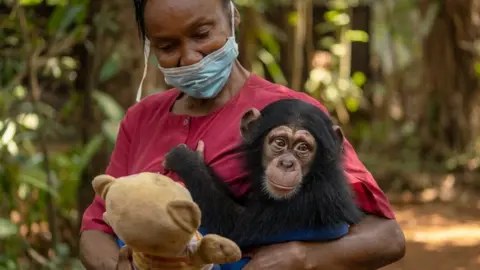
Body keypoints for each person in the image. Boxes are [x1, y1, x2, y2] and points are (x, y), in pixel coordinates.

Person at [79, 0, 406, 269]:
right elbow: (97, 229)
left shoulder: (292, 113)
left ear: (233, 16)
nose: (190, 57)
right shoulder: (142, 118)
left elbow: (386, 236)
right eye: (167, 46)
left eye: (202, 33)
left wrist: (304, 257)